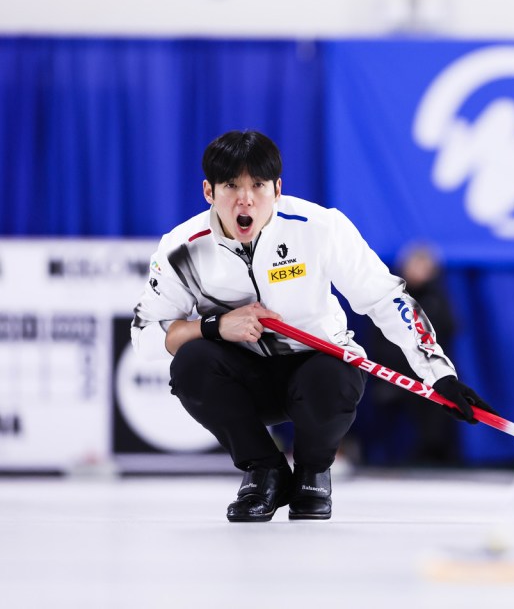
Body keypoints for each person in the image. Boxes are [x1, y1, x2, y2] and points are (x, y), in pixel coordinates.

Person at [131, 130, 493, 522]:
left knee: (335, 374)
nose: (245, 199)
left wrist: (439, 373)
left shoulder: (319, 228)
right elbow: (144, 336)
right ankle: (264, 471)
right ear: (209, 191)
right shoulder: (181, 248)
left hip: (316, 372)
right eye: (231, 186)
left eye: (258, 185)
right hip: (244, 380)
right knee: (192, 363)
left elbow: (386, 298)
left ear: (278, 189)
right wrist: (216, 326)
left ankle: (312, 473)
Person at [362, 242, 462, 466]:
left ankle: (434, 457)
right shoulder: (391, 298)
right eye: (415, 265)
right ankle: (384, 460)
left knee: (439, 407)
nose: (419, 271)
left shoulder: (437, 299)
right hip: (394, 371)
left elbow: (449, 331)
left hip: (429, 373)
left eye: (424, 266)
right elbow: (379, 338)